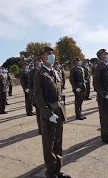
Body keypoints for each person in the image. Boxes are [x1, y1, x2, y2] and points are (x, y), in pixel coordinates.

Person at [34, 46, 70, 178]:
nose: (52, 56)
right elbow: (38, 97)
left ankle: (58, 170)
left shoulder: (56, 72)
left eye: (52, 54)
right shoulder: (39, 74)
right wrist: (48, 114)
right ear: (42, 58)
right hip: (49, 113)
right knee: (49, 144)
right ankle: (50, 172)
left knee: (58, 141)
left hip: (59, 111)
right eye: (48, 54)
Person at [29, 59, 42, 134]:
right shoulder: (32, 72)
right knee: (39, 113)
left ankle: (45, 128)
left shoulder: (43, 70)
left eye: (40, 61)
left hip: (44, 94)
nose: (39, 63)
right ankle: (40, 129)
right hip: (37, 95)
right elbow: (30, 84)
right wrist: (33, 93)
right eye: (38, 61)